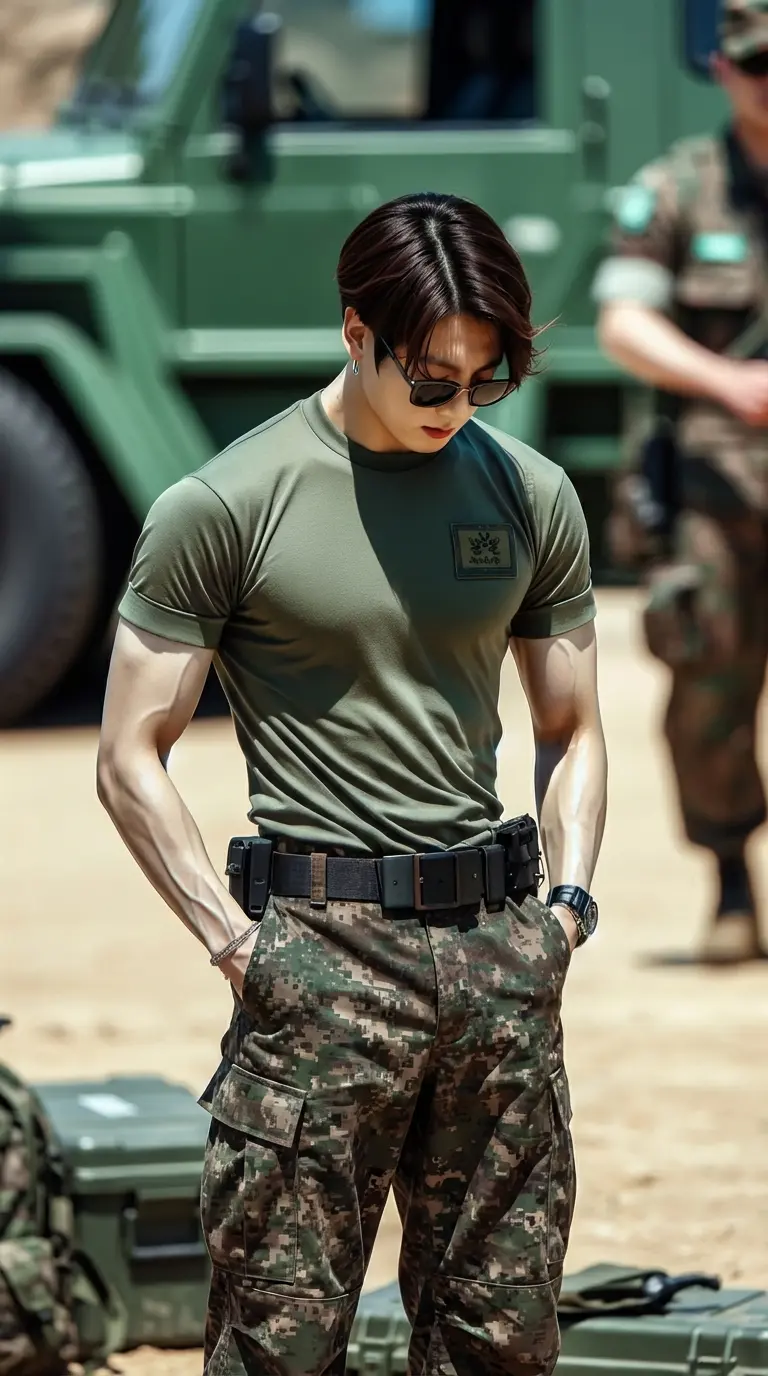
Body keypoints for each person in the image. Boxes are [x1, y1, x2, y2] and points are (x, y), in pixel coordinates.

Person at [97, 191, 607, 1376]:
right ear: (353, 330)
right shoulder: (225, 504)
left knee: (501, 1341)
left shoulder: (531, 494)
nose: (455, 406)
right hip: (318, 964)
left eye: (484, 380)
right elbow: (128, 754)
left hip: (499, 962)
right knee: (280, 1346)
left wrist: (566, 913)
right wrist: (238, 946)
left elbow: (573, 727)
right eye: (429, 377)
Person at [594, 0, 768, 964]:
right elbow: (624, 323)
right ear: (723, 68)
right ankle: (732, 880)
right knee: (708, 696)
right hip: (715, 491)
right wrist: (726, 382)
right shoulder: (675, 189)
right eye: (756, 64)